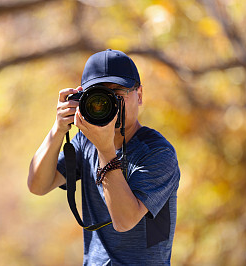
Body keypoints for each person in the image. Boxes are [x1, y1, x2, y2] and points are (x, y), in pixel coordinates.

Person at [27, 49, 180, 265]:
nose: (108, 105)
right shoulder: (84, 142)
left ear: (140, 95)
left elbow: (125, 221)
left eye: (118, 94)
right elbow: (37, 185)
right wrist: (58, 129)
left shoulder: (157, 152)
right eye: (98, 97)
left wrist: (106, 150)